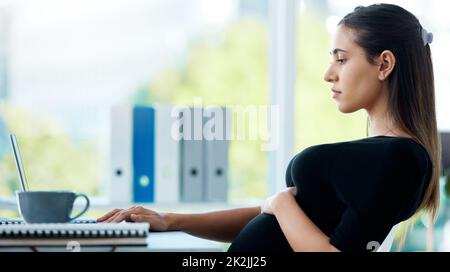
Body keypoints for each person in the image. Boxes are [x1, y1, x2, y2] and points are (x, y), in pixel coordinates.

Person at [97, 4, 440, 252]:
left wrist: (282, 206)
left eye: (341, 58)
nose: (328, 73)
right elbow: (275, 215)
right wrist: (171, 220)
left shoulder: (399, 158)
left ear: (384, 64)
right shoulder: (381, 155)